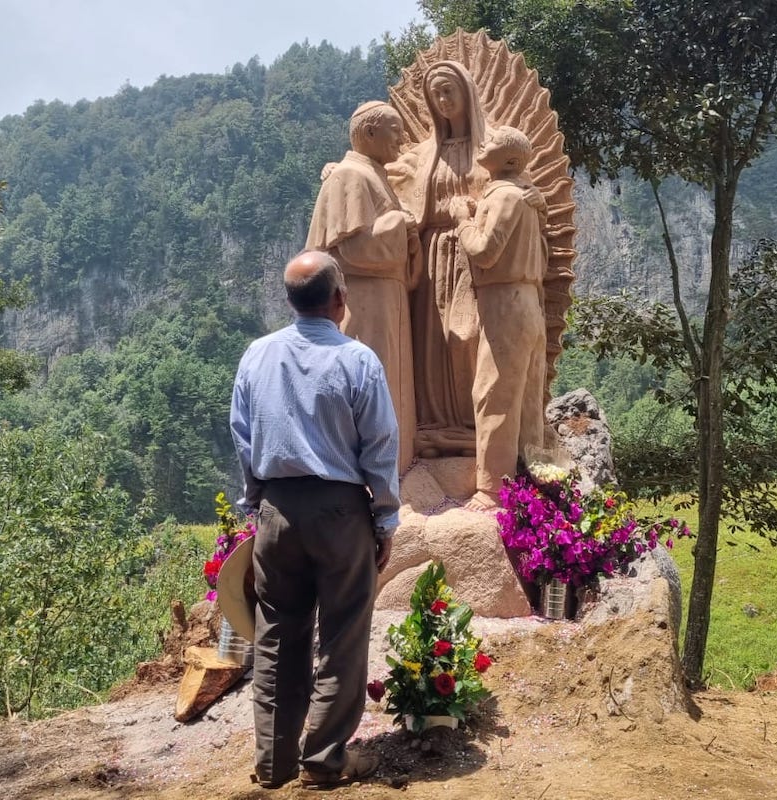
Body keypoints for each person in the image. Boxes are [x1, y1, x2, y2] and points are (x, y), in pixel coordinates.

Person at [229, 251, 398, 790]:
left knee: (278, 633)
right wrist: (385, 521)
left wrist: (258, 503)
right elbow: (379, 448)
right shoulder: (358, 361)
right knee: (343, 632)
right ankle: (324, 758)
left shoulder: (257, 356)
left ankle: (273, 763)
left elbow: (244, 438)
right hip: (340, 510)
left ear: (290, 301)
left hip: (277, 510)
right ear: (339, 300)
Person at [307, 101, 422, 472]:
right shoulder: (350, 177)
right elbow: (354, 248)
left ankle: (395, 471)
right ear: (369, 132)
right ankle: (370, 476)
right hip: (366, 296)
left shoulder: (372, 174)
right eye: (394, 130)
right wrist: (399, 224)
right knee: (372, 384)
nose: (401, 139)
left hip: (387, 294)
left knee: (389, 382)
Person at [390, 60, 494, 456]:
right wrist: (337, 171)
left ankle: (472, 421)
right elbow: (382, 175)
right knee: (429, 341)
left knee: (463, 336)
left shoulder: (490, 147)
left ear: (466, 93)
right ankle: (435, 422)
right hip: (431, 253)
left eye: (449, 90)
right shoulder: (423, 154)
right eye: (436, 94)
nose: (443, 99)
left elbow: (514, 189)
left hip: (471, 252)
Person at [451, 127, 548, 509]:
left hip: (506, 302)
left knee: (494, 393)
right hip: (522, 302)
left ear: (508, 160)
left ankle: (492, 490)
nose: (482, 144)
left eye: (490, 143)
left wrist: (462, 219)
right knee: (522, 396)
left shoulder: (507, 196)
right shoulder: (522, 197)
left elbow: (485, 250)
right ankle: (531, 479)